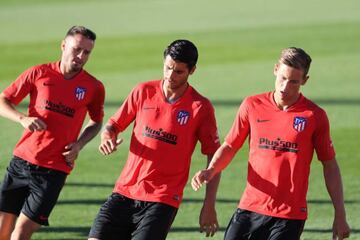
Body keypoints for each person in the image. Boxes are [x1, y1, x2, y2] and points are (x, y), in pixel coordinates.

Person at [192, 47, 351, 240]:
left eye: (293, 82)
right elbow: (230, 146)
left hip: (289, 215)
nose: (285, 87)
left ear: (304, 81)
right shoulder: (252, 105)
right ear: (275, 69)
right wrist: (211, 169)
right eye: (283, 78)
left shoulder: (314, 116)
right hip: (250, 207)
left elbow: (330, 165)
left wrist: (340, 214)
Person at [88, 39, 221, 240]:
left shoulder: (200, 107)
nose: (170, 76)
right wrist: (107, 137)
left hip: (162, 200)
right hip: (125, 191)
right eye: (167, 68)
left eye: (179, 72)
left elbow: (214, 154)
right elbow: (113, 125)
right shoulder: (143, 91)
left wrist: (209, 205)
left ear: (192, 70)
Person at [0, 26, 105, 240]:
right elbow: (3, 100)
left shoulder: (93, 87)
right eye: (77, 49)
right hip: (21, 162)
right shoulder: (39, 73)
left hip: (53, 171)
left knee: (20, 233)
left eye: (87, 52)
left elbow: (96, 122)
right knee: (2, 229)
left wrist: (79, 144)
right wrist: (22, 119)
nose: (81, 56)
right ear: (63, 45)